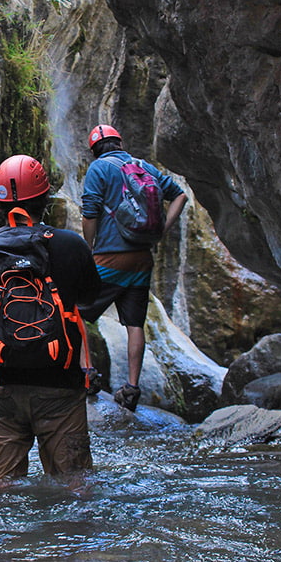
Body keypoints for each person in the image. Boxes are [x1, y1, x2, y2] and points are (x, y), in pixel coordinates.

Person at [0, 154, 100, 483]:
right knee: (73, 487)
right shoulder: (71, 246)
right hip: (60, 384)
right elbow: (90, 297)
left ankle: (7, 536)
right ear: (46, 199)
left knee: (2, 491)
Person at [79, 124, 188, 411]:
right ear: (120, 142)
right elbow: (180, 195)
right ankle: (131, 388)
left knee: (74, 313)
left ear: (94, 151)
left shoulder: (99, 170)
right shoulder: (143, 167)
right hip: (142, 259)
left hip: (110, 257)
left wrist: (88, 248)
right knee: (134, 324)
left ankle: (87, 374)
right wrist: (164, 228)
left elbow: (90, 212)